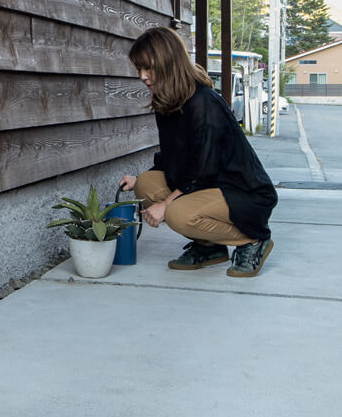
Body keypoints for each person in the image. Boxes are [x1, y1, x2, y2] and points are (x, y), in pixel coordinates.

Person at [118, 26, 276, 278]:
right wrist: (139, 180)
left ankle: (253, 240)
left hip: (242, 192)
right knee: (147, 185)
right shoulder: (167, 101)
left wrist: (165, 205)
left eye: (149, 68)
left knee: (177, 213)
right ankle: (210, 247)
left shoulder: (204, 103)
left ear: (169, 63)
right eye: (139, 69)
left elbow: (204, 170)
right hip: (209, 185)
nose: (143, 76)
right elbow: (174, 158)